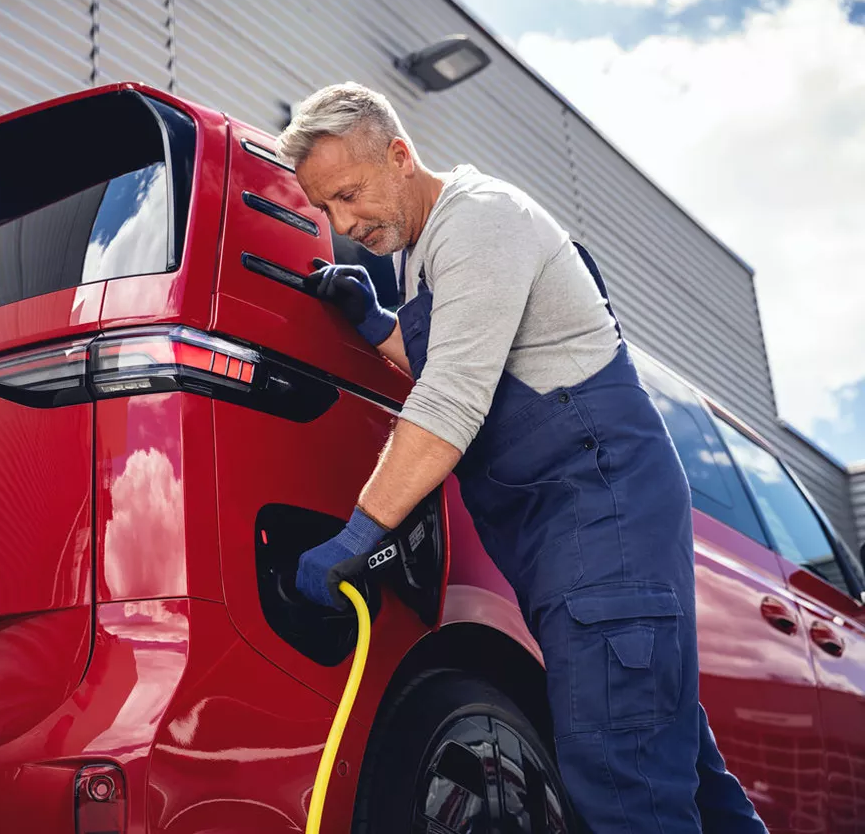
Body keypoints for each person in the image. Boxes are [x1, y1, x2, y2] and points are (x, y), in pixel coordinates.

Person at [275, 82, 767, 832]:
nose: (343, 224)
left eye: (348, 194)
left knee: (624, 782)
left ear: (400, 156)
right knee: (682, 773)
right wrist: (376, 322)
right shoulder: (423, 257)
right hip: (576, 541)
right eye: (326, 209)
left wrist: (358, 532)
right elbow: (458, 351)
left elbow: (450, 399)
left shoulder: (477, 223)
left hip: (603, 516)